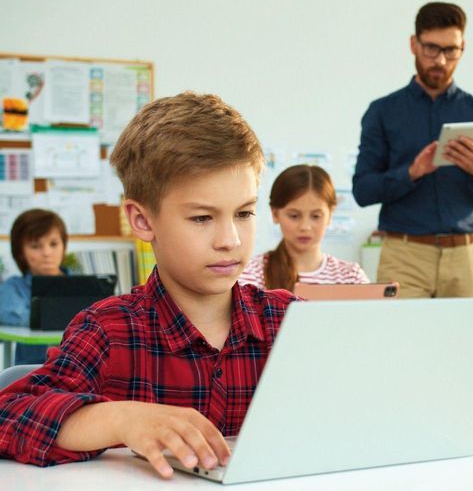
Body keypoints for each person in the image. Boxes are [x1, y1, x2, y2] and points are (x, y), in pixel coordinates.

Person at [0, 92, 296, 479]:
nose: (231, 240)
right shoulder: (107, 330)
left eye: (244, 213)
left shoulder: (289, 320)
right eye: (203, 218)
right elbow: (8, 415)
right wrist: (120, 418)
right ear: (142, 221)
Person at [352, 2, 473, 298]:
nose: (440, 60)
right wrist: (412, 173)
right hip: (404, 254)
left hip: (465, 256)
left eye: (450, 50)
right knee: (403, 342)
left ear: (462, 47)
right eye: (431, 48)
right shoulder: (382, 112)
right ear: (414, 44)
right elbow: (362, 191)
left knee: (463, 344)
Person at [239, 164, 368, 291]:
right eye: (294, 216)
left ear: (330, 215)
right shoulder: (250, 276)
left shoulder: (351, 277)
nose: (305, 227)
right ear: (275, 214)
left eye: (316, 216)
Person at [0, 209, 69, 365]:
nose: (46, 253)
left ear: (63, 246)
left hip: (79, 375)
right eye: (35, 246)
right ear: (21, 252)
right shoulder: (13, 288)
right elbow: (10, 314)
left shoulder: (85, 286)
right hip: (32, 375)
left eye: (53, 244)